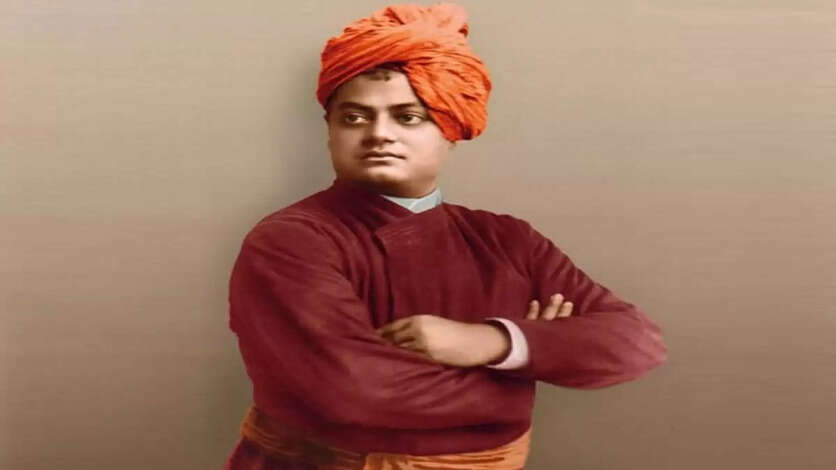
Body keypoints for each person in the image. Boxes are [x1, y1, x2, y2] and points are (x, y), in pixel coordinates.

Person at [224, 3, 667, 469]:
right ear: (330, 132)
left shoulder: (507, 240)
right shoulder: (292, 240)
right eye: (354, 118)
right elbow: (354, 389)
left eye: (407, 117)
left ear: (451, 129)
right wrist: (528, 369)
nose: (379, 134)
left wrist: (489, 342)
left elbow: (635, 344)